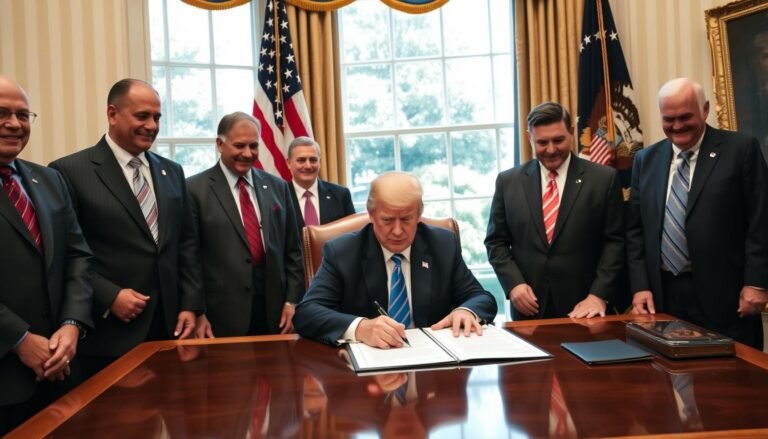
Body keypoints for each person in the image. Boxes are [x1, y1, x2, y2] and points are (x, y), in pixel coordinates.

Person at [49, 78, 203, 378]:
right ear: (112, 114)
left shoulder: (172, 171)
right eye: (142, 116)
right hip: (110, 333)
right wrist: (108, 296)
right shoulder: (69, 171)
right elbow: (68, 254)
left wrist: (190, 304)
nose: (152, 125)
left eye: (157, 117)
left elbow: (186, 243)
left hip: (170, 327)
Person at [626, 77, 768, 348]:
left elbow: (761, 219)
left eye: (685, 116)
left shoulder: (740, 149)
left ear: (705, 109)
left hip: (725, 297)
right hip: (663, 297)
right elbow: (635, 231)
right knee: (666, 381)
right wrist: (640, 286)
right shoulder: (646, 160)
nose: (677, 126)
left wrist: (758, 283)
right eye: (668, 119)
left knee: (731, 383)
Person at [294, 172, 496, 347]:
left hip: (433, 368)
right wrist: (360, 328)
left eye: (407, 219)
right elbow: (307, 314)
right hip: (367, 374)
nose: (398, 231)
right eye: (387, 220)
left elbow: (482, 298)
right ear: (372, 214)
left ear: (419, 214)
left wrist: (466, 311)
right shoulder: (343, 251)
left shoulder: (442, 244)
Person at [0, 76, 93, 434]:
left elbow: (78, 257)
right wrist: (20, 340)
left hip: (63, 371)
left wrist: (72, 325)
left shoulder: (49, 179)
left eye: (23, 115)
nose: (14, 123)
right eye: (3, 113)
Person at [485, 102, 624, 320]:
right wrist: (514, 284)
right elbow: (496, 242)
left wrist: (599, 295)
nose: (551, 149)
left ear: (571, 132)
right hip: (529, 309)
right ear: (529, 137)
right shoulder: (508, 182)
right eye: (542, 142)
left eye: (558, 140)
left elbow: (615, 242)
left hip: (586, 308)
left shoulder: (604, 179)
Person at [187, 112, 304, 337]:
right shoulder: (194, 190)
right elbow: (190, 259)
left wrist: (292, 301)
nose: (247, 153)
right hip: (220, 317)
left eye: (254, 146)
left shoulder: (278, 187)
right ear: (220, 144)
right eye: (239, 145)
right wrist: (197, 311)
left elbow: (293, 251)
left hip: (274, 316)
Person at [286, 136, 355, 229]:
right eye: (301, 160)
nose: (308, 166)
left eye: (313, 160)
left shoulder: (341, 195)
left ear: (320, 162)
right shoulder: (279, 197)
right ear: (289, 163)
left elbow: (353, 232)